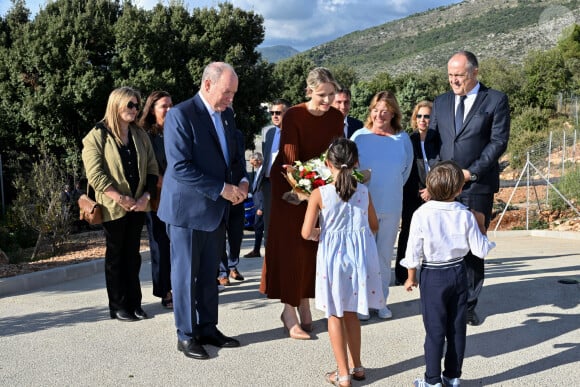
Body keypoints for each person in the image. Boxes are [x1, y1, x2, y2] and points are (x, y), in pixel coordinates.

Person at [157, 62, 247, 360]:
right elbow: (180, 167)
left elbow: (232, 157)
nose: (230, 99)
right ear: (207, 85)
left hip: (216, 211)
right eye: (226, 92)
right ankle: (186, 335)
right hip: (187, 213)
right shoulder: (180, 115)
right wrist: (223, 189)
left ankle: (208, 328)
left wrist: (243, 180)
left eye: (233, 93)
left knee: (210, 274)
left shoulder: (227, 115)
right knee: (185, 276)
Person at [260, 68, 344, 340]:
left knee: (311, 248)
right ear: (309, 91)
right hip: (288, 189)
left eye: (332, 94)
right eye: (322, 95)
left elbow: (334, 156)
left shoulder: (335, 117)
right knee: (291, 248)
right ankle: (288, 311)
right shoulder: (293, 115)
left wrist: (329, 190)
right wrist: (308, 195)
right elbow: (290, 164)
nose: (327, 100)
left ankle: (305, 301)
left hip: (318, 187)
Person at [429, 50, 510, 326]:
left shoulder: (496, 100)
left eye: (459, 75)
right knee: (444, 243)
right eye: (450, 75)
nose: (454, 81)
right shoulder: (440, 102)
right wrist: (437, 175)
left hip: (477, 185)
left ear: (475, 73)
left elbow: (498, 142)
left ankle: (469, 305)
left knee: (473, 244)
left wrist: (471, 172)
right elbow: (433, 142)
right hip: (444, 188)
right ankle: (447, 300)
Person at [401, 161, 496, 387]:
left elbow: (413, 249)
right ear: (459, 189)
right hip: (458, 272)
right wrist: (481, 224)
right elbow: (480, 250)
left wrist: (411, 276)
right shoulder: (465, 214)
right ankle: (452, 377)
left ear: (429, 187)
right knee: (456, 328)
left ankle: (432, 380)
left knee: (434, 330)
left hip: (433, 275)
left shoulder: (421, 214)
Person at [301, 138, 383, 387]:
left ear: (328, 164)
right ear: (356, 162)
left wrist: (321, 233)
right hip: (358, 262)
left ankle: (343, 373)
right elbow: (374, 225)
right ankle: (357, 366)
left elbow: (306, 232)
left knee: (334, 315)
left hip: (333, 262)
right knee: (351, 315)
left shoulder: (320, 194)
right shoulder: (364, 191)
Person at [81, 86, 159, 322]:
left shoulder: (140, 134)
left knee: (133, 256)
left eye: (137, 105)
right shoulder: (97, 135)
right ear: (116, 105)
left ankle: (135, 303)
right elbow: (95, 174)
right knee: (116, 256)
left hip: (138, 204)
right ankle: (118, 305)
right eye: (130, 105)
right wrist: (120, 198)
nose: (135, 110)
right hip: (114, 206)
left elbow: (152, 168)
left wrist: (145, 196)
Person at [351, 91, 413, 320]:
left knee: (384, 256)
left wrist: (390, 187)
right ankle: (362, 303)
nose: (379, 114)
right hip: (363, 206)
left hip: (391, 205)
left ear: (393, 113)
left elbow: (404, 172)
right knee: (363, 257)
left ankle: (381, 302)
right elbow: (351, 171)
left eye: (385, 110)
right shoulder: (359, 136)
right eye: (376, 109)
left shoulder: (402, 139)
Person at [394, 100, 440, 285]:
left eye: (427, 116)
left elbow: (441, 166)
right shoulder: (408, 140)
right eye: (419, 116)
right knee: (407, 232)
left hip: (435, 194)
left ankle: (432, 273)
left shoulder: (438, 141)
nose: (423, 120)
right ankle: (402, 274)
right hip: (411, 193)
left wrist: (432, 189)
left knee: (434, 234)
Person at [138, 90, 173, 308]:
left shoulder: (176, 131)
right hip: (157, 197)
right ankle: (165, 291)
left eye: (171, 105)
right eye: (164, 106)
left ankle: (181, 286)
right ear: (152, 109)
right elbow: (148, 168)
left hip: (179, 196)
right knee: (160, 244)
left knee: (178, 245)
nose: (169, 110)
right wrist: (164, 182)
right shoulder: (145, 134)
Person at [258, 98, 291, 245]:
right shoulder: (270, 133)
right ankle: (269, 258)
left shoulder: (293, 133)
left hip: (285, 184)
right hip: (267, 184)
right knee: (268, 224)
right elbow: (267, 159)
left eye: (278, 112)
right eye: (272, 113)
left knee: (284, 223)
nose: (274, 116)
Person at [217, 128, 248, 285]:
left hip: (237, 192)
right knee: (220, 235)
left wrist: (244, 182)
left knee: (236, 235)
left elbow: (242, 162)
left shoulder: (237, 134)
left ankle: (232, 265)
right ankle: (223, 271)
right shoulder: (209, 130)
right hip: (219, 192)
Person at [243, 152, 264, 258]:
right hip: (256, 205)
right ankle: (256, 250)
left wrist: (261, 207)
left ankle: (256, 250)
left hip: (260, 206)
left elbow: (265, 190)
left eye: (253, 163)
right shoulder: (258, 172)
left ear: (258, 161)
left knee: (259, 228)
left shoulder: (263, 172)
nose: (252, 165)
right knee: (258, 228)